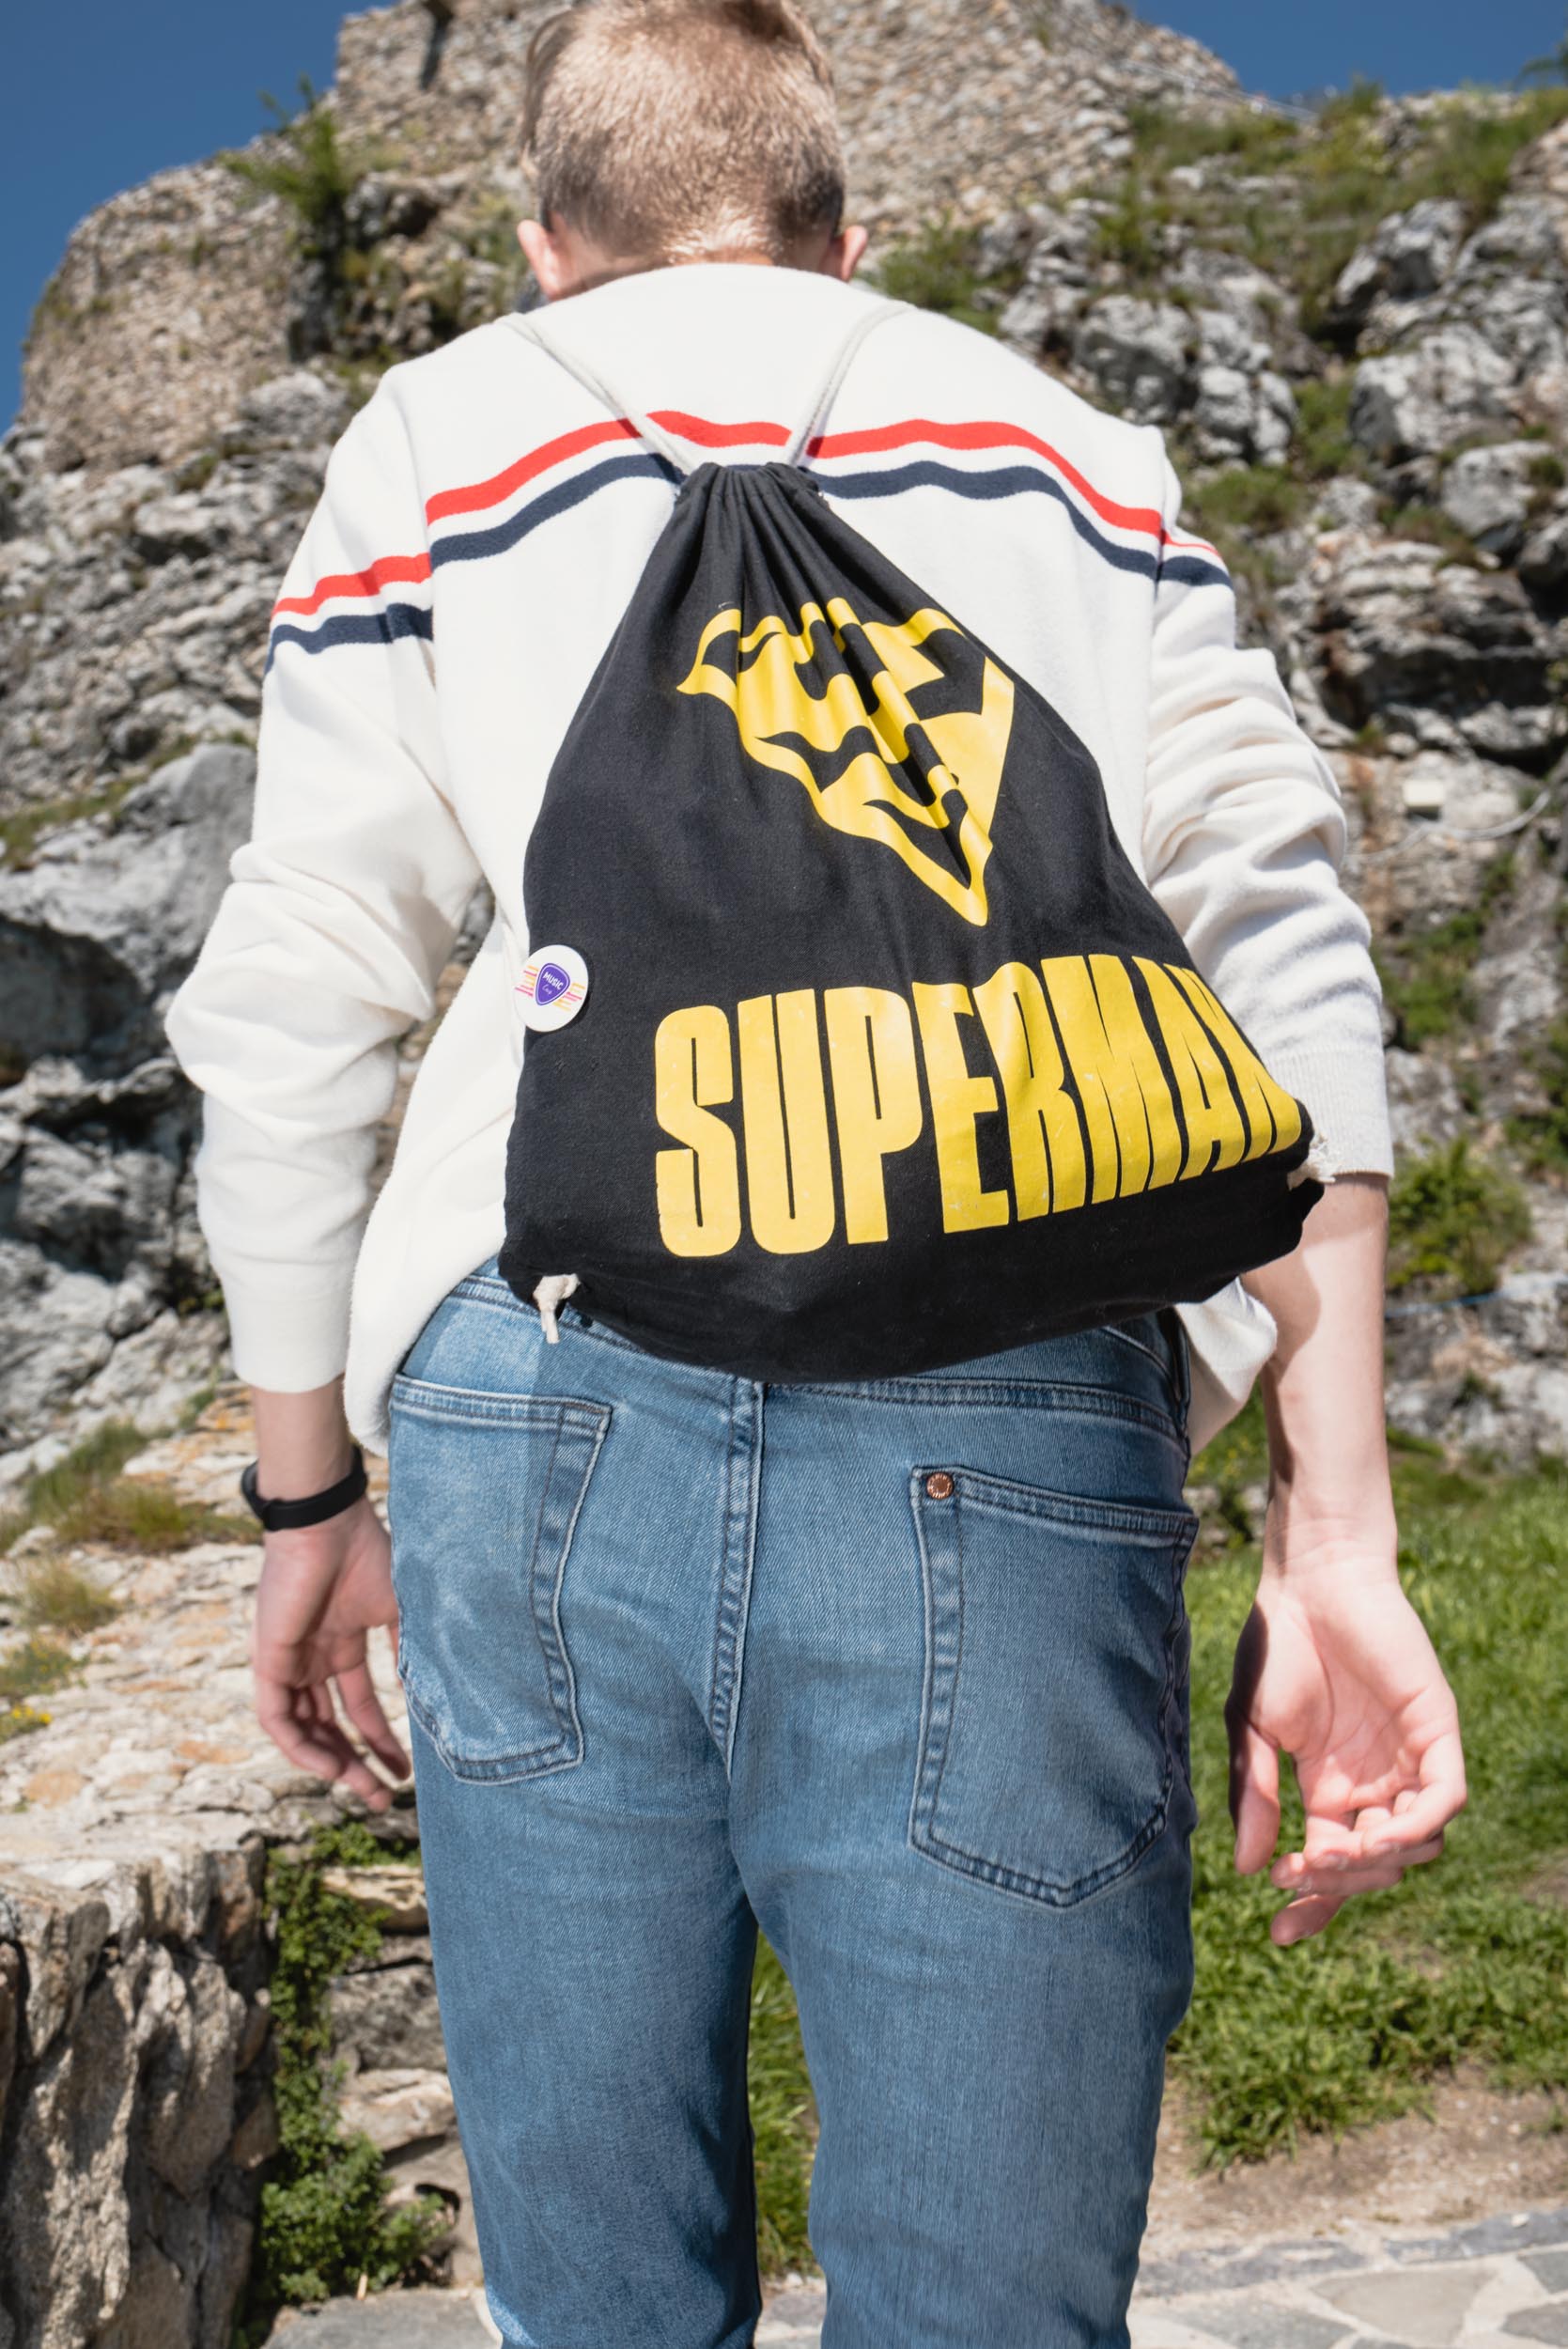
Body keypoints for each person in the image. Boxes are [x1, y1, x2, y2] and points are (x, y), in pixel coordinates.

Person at [162, 4, 1467, 2342]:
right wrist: (1333, 1519)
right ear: (849, 233)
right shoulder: (1072, 445)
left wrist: (300, 1495)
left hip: (532, 1384)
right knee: (986, 2305)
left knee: (590, 2298)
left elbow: (299, 990)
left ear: (548, 245)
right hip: (1017, 1387)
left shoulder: (442, 431)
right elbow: (1281, 938)